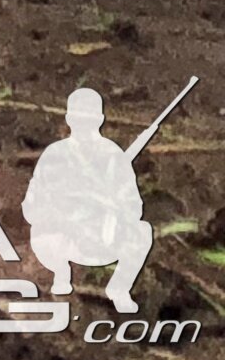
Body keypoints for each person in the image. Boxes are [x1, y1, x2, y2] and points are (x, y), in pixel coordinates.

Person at [23, 87, 154, 312]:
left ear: (100, 119)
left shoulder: (113, 156)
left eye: (89, 118)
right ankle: (60, 274)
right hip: (64, 238)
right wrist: (64, 209)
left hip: (103, 238)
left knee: (142, 231)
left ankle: (119, 289)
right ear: (69, 119)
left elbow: (134, 206)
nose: (83, 124)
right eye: (78, 117)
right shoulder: (55, 154)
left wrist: (113, 207)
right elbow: (32, 205)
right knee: (42, 233)